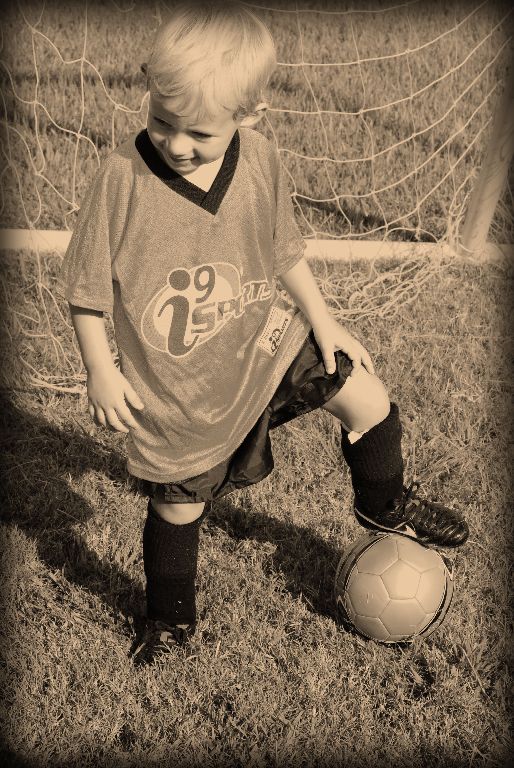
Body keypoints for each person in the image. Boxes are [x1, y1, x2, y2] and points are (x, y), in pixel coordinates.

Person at [60, 1, 468, 665]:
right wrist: (100, 368)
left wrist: (324, 321)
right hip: (182, 391)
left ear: (250, 117)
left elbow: (284, 250)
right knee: (179, 509)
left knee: (367, 397)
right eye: (161, 121)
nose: (176, 144)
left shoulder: (259, 160)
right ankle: (170, 621)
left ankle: (386, 507)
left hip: (264, 344)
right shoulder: (120, 180)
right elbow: (84, 291)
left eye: (199, 132)